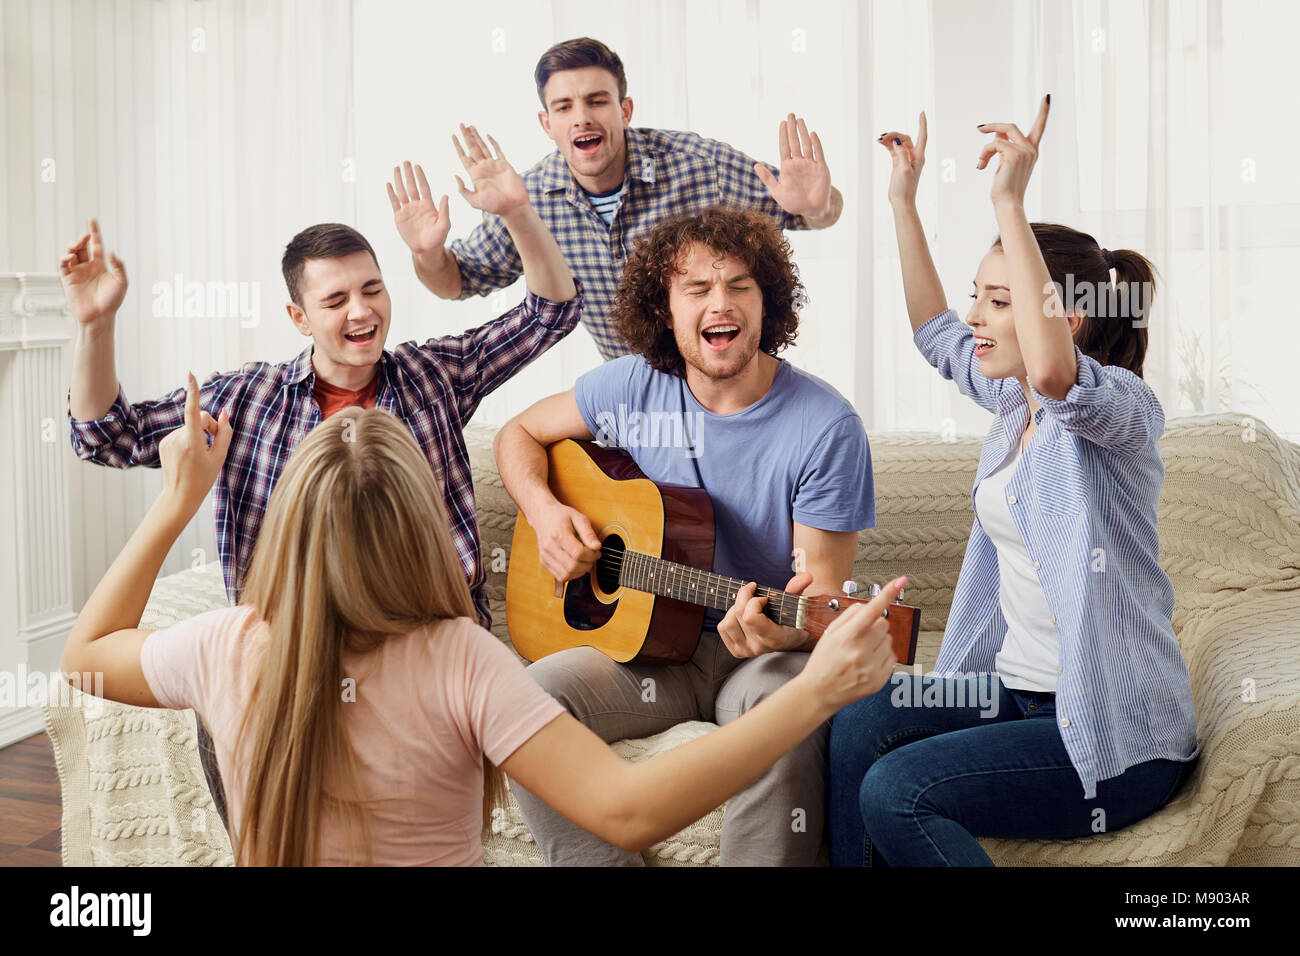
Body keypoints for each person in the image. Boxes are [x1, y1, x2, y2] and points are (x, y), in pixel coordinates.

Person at [58, 380, 904, 866]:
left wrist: (175, 503)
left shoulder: (225, 643)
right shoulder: (460, 659)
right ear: (425, 524)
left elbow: (85, 655)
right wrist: (815, 693)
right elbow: (629, 811)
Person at [63, 126, 580, 824]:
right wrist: (96, 326)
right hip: (295, 648)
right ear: (298, 317)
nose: (361, 311)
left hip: (424, 642)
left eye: (371, 290)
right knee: (239, 710)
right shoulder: (246, 399)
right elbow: (107, 436)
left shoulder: (434, 375)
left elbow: (552, 313)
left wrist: (517, 213)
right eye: (335, 301)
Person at [827, 97, 1199, 867]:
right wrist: (903, 199)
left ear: (1069, 316)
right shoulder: (1009, 402)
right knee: (859, 720)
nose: (976, 317)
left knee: (897, 788)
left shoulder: (1119, 409)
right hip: (1018, 696)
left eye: (1000, 302)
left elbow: (1058, 373)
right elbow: (935, 332)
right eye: (980, 295)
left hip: (1114, 730)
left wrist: (1009, 202)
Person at [494, 205, 876, 865]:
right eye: (696, 289)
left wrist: (786, 631)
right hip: (644, 649)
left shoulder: (826, 427)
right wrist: (546, 512)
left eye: (738, 286)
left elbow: (823, 603)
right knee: (520, 701)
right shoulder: (636, 386)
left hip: (758, 655)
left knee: (784, 714)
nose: (718, 304)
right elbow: (517, 433)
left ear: (768, 304)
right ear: (665, 310)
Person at [390, 36, 844, 360]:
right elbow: (457, 281)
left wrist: (819, 206)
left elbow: (810, 212)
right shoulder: (527, 200)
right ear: (546, 124)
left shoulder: (700, 165)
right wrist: (427, 254)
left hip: (726, 374)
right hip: (633, 395)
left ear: (624, 110)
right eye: (564, 107)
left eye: (597, 101)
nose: (582, 118)